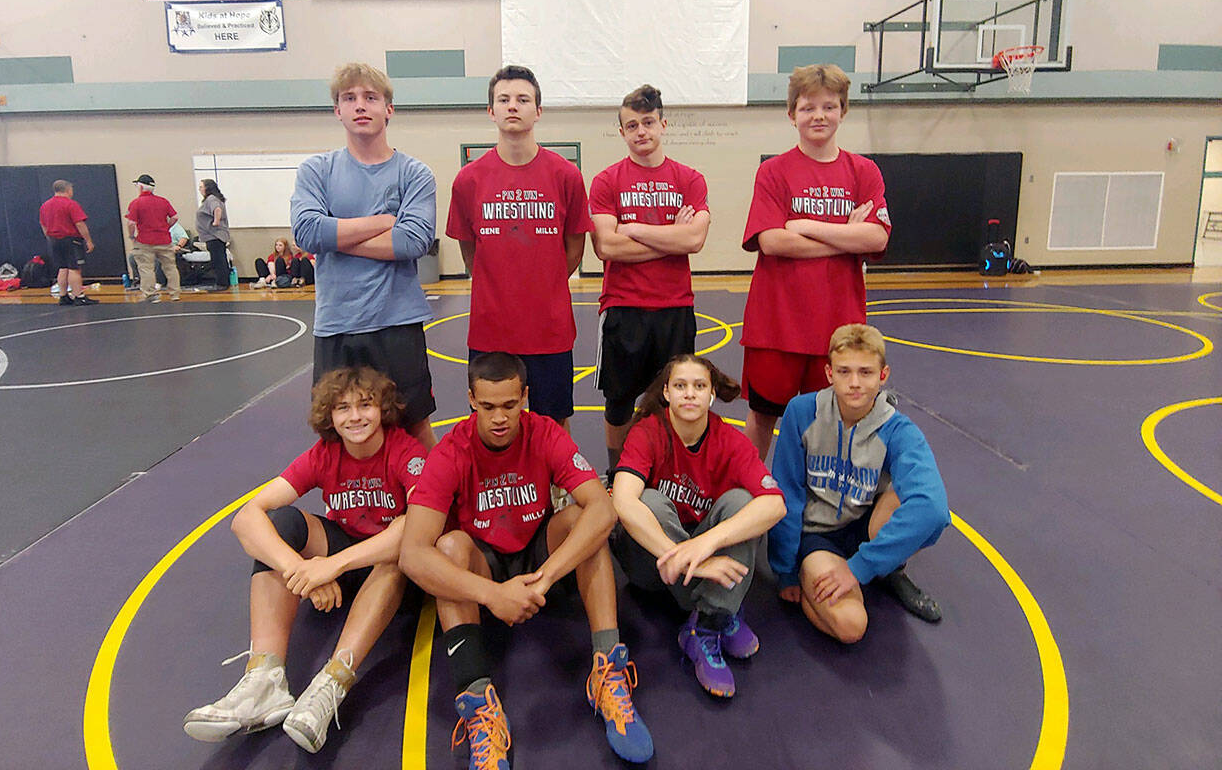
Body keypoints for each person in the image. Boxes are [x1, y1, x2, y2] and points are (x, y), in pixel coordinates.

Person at [399, 352, 654, 768]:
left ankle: (609, 671)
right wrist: (493, 594)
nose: (500, 417)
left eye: (510, 405)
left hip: (538, 556)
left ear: (525, 397)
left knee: (581, 523)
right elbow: (412, 554)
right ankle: (480, 704)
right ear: (470, 400)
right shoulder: (450, 452)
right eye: (488, 407)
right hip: (485, 564)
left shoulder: (544, 433)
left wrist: (546, 577)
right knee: (447, 551)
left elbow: (603, 510)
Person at [183, 366, 427, 753]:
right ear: (329, 416)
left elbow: (418, 526)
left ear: (383, 408)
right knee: (280, 524)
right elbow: (246, 518)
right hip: (342, 565)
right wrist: (298, 570)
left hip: (394, 575)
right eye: (343, 408)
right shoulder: (324, 455)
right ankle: (265, 678)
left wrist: (334, 565)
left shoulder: (405, 452)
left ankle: (332, 682)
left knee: (395, 548)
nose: (355, 416)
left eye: (365, 405)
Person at [611, 354, 786, 698]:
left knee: (742, 503)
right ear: (666, 393)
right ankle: (720, 607)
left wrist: (704, 545)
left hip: (694, 549)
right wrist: (693, 559)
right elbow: (623, 501)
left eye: (699, 386)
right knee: (649, 501)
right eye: (680, 385)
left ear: (710, 395)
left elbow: (775, 504)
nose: (689, 394)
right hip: (651, 567)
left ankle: (704, 628)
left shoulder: (730, 440)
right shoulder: (648, 431)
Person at [740, 64, 891, 457]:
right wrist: (846, 237)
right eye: (808, 108)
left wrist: (806, 224)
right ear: (792, 114)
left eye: (829, 106)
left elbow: (876, 236)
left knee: (828, 421)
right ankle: (746, 493)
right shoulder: (773, 171)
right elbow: (772, 241)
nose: (819, 115)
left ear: (843, 111)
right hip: (776, 324)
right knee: (762, 415)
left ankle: (817, 499)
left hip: (836, 326)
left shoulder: (864, 172)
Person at [768, 324, 948, 643]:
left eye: (865, 372)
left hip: (866, 522)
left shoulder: (897, 430)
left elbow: (932, 509)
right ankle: (827, 575)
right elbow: (787, 492)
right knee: (851, 627)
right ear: (828, 373)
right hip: (819, 535)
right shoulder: (802, 412)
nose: (854, 383)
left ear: (883, 375)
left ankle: (886, 568)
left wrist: (859, 567)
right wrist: (786, 570)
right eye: (844, 371)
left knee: (912, 499)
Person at [291, 63, 438, 449]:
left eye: (371, 97)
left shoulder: (414, 173)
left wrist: (335, 234)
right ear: (336, 110)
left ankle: (434, 505)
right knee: (339, 431)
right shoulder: (316, 171)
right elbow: (306, 232)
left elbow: (412, 242)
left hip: (397, 322)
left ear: (389, 108)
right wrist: (383, 221)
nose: (360, 106)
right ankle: (349, 509)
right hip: (338, 323)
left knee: (413, 424)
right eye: (349, 98)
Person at [446, 65, 592, 431]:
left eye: (523, 99)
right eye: (504, 99)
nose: (513, 106)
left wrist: (544, 282)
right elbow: (470, 251)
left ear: (538, 111)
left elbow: (574, 249)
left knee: (554, 422)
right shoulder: (469, 180)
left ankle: (557, 489)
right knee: (494, 423)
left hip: (549, 329)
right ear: (490, 110)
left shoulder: (566, 176)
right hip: (491, 330)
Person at [590, 84, 710, 473]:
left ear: (662, 124)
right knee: (619, 400)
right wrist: (670, 240)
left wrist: (634, 229)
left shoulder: (689, 178)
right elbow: (606, 247)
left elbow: (694, 238)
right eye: (631, 125)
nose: (640, 131)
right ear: (621, 132)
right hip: (624, 307)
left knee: (676, 396)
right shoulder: (607, 181)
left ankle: (668, 470)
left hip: (675, 307)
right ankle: (617, 472)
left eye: (647, 122)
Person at [38, 179, 97, 306]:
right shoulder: (70, 204)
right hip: (71, 239)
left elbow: (43, 224)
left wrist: (49, 237)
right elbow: (79, 223)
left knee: (62, 268)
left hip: (54, 239)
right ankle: (78, 296)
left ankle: (63, 295)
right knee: (74, 269)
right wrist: (88, 240)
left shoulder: (45, 205)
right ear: (68, 190)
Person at [125, 173, 181, 302]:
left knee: (146, 268)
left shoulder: (136, 203)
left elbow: (131, 223)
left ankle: (151, 294)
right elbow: (175, 217)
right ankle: (175, 293)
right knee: (170, 267)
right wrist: (166, 227)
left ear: (140, 187)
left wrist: (131, 236)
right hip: (164, 239)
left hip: (145, 240)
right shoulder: (163, 201)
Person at [128, 220, 191, 288]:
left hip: (168, 248)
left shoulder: (174, 226)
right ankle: (140, 280)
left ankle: (158, 282)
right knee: (132, 256)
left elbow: (184, 238)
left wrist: (178, 246)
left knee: (159, 257)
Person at [196, 179, 232, 290]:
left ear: (208, 188)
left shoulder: (212, 199)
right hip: (213, 236)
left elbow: (217, 209)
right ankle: (223, 282)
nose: (200, 189)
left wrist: (216, 221)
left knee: (218, 260)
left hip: (215, 236)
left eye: (201, 187)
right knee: (219, 259)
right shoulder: (212, 199)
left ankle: (222, 283)